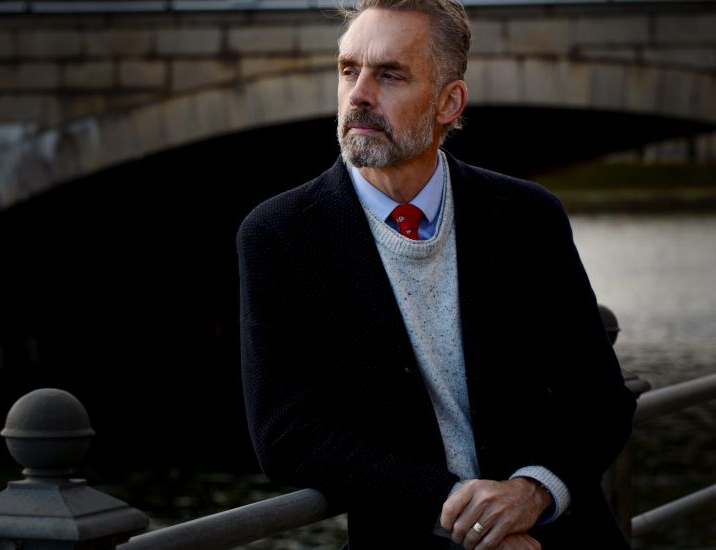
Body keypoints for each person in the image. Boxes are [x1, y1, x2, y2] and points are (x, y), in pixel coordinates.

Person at [236, 0, 637, 547]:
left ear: (449, 102)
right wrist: (462, 514)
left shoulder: (527, 217)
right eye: (349, 70)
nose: (358, 94)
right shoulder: (280, 235)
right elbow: (288, 434)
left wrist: (532, 493)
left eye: (390, 75)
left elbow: (600, 398)